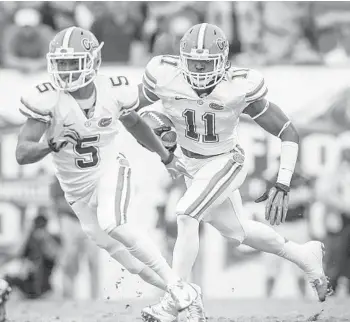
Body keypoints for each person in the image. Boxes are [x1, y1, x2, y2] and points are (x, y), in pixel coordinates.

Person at [135, 23, 330, 322]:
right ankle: (305, 256)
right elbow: (128, 106)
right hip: (191, 165)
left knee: (186, 214)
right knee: (239, 231)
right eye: (194, 63)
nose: (199, 71)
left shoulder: (238, 86)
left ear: (223, 62)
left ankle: (178, 299)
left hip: (226, 161)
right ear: (182, 58)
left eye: (206, 63)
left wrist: (283, 182)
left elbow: (288, 131)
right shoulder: (165, 76)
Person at [15, 26, 201, 312]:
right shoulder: (48, 98)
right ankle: (184, 293)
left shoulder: (112, 89)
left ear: (92, 61)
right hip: (75, 191)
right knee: (128, 260)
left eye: (72, 62)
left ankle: (177, 289)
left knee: (114, 222)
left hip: (110, 169)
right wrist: (46, 146)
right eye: (60, 63)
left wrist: (166, 156)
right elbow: (22, 152)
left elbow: (136, 124)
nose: (65, 71)